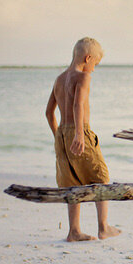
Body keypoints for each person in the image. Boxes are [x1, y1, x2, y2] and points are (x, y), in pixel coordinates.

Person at [46, 37, 121, 242]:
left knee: (72, 183)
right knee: (101, 177)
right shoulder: (84, 77)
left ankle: (74, 231)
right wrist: (79, 134)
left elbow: (48, 113)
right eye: (95, 64)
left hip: (62, 133)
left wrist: (58, 137)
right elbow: (78, 105)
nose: (94, 70)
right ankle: (103, 227)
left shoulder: (59, 79)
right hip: (81, 132)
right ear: (88, 58)